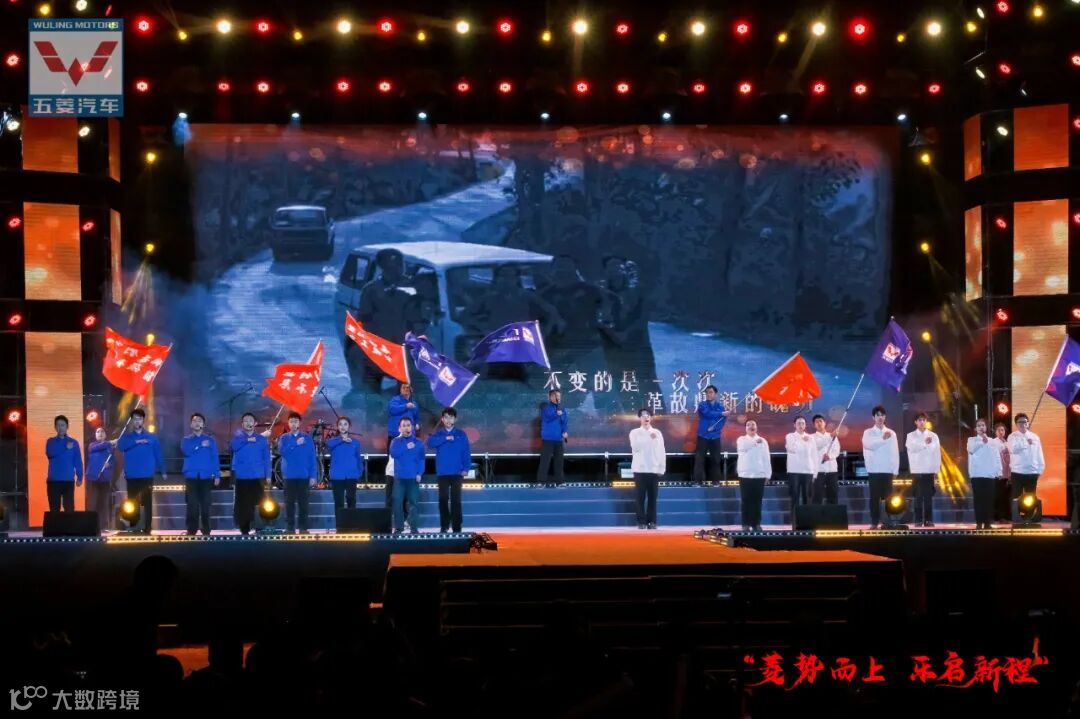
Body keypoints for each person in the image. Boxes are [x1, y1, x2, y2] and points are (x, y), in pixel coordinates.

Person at [354, 248, 413, 392]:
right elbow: (362, 319)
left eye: (399, 266)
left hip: (403, 349)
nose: (396, 271)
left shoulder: (412, 287)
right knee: (371, 391)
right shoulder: (371, 290)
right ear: (383, 269)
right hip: (378, 349)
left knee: (406, 391)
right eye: (391, 268)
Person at [115, 408, 166, 534]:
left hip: (147, 475)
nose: (137, 421)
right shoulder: (127, 437)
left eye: (139, 419)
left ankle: (147, 527)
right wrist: (136, 441)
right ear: (132, 421)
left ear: (143, 420)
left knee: (147, 501)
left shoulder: (151, 437)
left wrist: (163, 470)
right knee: (132, 502)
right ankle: (134, 526)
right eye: (135, 419)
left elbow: (158, 454)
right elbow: (120, 446)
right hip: (132, 475)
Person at [427, 407, 472, 533]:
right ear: (442, 419)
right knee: (443, 499)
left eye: (451, 417)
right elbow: (430, 443)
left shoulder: (461, 434)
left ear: (455, 419)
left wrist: (466, 468)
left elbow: (466, 452)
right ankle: (444, 526)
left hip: (457, 472)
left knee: (456, 500)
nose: (448, 420)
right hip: (442, 473)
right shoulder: (439, 433)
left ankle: (457, 527)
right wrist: (445, 438)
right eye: (446, 417)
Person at [230, 412, 271, 535]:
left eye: (250, 420)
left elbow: (266, 459)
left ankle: (259, 527)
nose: (248, 423)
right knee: (243, 504)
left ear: (255, 423)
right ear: (242, 424)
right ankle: (244, 529)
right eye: (246, 421)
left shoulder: (261, 439)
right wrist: (247, 440)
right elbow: (233, 446)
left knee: (260, 502)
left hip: (258, 476)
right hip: (242, 476)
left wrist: (268, 475)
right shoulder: (238, 438)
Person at [278, 412, 317, 534]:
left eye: (295, 421)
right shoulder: (284, 438)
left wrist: (313, 476)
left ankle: (303, 528)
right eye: (291, 421)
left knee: (303, 503)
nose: (293, 424)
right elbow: (282, 452)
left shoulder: (307, 438)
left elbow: (312, 457)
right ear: (288, 424)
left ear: (299, 423)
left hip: (303, 475)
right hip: (289, 476)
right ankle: (289, 528)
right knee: (289, 503)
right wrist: (295, 443)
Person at [180, 412, 219, 536]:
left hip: (206, 477)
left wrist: (217, 475)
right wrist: (199, 445)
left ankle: (206, 529)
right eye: (194, 421)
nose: (197, 423)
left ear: (203, 424)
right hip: (191, 477)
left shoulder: (210, 440)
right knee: (192, 505)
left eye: (199, 421)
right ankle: (191, 530)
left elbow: (214, 458)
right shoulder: (186, 440)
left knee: (206, 504)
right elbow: (187, 452)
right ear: (191, 424)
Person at [861, 405, 899, 529]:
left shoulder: (891, 433)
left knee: (888, 498)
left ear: (885, 417)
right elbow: (869, 445)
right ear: (873, 417)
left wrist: (895, 469)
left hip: (887, 469)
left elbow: (895, 452)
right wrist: (883, 439)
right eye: (878, 415)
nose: (880, 417)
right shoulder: (868, 432)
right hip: (874, 470)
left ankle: (887, 522)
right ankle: (874, 522)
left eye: (882, 415)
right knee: (874, 498)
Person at [629, 408, 666, 529]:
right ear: (640, 418)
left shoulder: (657, 433)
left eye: (648, 415)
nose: (646, 417)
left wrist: (661, 468)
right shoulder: (634, 433)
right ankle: (641, 521)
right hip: (640, 469)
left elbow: (662, 451)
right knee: (640, 497)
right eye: (643, 415)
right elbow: (635, 447)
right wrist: (648, 437)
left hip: (653, 469)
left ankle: (652, 521)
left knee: (652, 498)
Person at [389, 417, 426, 534]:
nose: (406, 427)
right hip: (399, 478)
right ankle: (399, 528)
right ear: (400, 428)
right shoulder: (395, 441)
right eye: (404, 425)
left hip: (413, 477)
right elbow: (393, 453)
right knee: (397, 503)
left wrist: (420, 473)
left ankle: (414, 528)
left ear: (412, 427)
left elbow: (421, 459)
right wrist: (406, 447)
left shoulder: (418, 442)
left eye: (408, 425)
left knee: (413, 503)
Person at [386, 383, 420, 507]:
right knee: (393, 468)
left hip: (410, 439)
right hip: (395, 437)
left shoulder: (414, 402)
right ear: (400, 389)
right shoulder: (395, 400)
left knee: (408, 466)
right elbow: (392, 410)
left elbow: (416, 416)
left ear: (411, 389)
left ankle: (406, 508)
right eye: (403, 387)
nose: (406, 389)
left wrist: (417, 423)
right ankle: (390, 506)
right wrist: (406, 406)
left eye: (408, 387)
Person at [906, 412, 942, 527]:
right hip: (917, 470)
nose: (922, 422)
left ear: (926, 421)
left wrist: (936, 469)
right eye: (919, 420)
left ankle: (928, 520)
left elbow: (937, 453)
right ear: (915, 422)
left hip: (929, 470)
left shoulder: (933, 436)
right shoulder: (910, 436)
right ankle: (918, 520)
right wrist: (924, 443)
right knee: (918, 496)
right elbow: (912, 448)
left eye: (923, 420)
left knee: (928, 497)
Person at [967, 418, 1004, 530]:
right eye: (979, 425)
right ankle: (979, 522)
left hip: (989, 474)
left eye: (983, 425)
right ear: (975, 428)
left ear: (986, 427)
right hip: (977, 474)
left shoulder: (992, 441)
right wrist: (982, 441)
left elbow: (997, 456)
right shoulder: (972, 440)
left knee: (989, 499)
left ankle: (987, 522)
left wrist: (999, 471)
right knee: (978, 499)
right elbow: (971, 450)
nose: (981, 427)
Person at [736, 419, 771, 531]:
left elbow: (766, 458)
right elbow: (743, 448)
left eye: (753, 424)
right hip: (745, 474)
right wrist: (755, 441)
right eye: (748, 425)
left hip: (759, 475)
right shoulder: (741, 439)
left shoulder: (763, 441)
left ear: (757, 427)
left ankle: (756, 524)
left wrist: (768, 474)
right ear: (745, 428)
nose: (751, 426)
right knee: (745, 500)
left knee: (757, 501)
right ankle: (745, 524)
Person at [45, 414, 82, 513]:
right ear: (55, 427)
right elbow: (50, 453)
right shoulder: (50, 441)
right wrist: (65, 447)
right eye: (58, 425)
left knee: (69, 509)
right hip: (53, 481)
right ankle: (55, 524)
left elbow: (78, 460)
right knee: (54, 510)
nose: (60, 427)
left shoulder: (74, 443)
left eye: (62, 425)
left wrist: (80, 476)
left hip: (68, 481)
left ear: (67, 427)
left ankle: (69, 524)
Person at [693, 385, 730, 484]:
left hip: (715, 436)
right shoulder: (702, 405)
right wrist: (721, 414)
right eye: (707, 393)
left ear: (715, 393)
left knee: (716, 460)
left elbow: (722, 422)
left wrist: (715, 428)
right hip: (703, 435)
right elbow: (708, 414)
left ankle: (716, 481)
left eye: (711, 392)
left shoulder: (721, 407)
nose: (708, 394)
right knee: (700, 459)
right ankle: (698, 481)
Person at [326, 416, 363, 514]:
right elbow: (329, 445)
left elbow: (358, 459)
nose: (343, 427)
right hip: (337, 476)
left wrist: (359, 472)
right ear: (337, 427)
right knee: (339, 502)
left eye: (345, 424)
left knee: (351, 500)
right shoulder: (333, 441)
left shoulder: (355, 442)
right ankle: (340, 523)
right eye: (340, 424)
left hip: (351, 475)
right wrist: (342, 440)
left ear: (349, 426)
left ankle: (351, 523)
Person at [1008, 413, 1045, 504]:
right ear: (1016, 424)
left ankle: (1029, 513)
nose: (1022, 424)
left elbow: (1039, 453)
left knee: (1030, 500)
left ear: (1028, 423)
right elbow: (1013, 450)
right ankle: (1017, 513)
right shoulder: (1012, 436)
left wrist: (1040, 470)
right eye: (1020, 422)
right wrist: (1025, 443)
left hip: (1032, 472)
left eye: (1024, 422)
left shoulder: (1035, 437)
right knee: (1016, 498)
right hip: (1017, 472)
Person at [785, 416, 817, 520]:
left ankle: (807, 521)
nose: (800, 425)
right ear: (794, 425)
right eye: (798, 423)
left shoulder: (811, 438)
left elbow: (814, 455)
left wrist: (815, 473)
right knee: (794, 497)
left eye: (803, 423)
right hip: (794, 471)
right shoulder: (790, 436)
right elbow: (791, 448)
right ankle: (794, 521)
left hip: (808, 470)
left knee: (807, 497)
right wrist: (802, 440)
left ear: (805, 425)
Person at [537, 389, 569, 486]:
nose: (558, 398)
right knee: (545, 461)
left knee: (559, 461)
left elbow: (564, 421)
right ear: (550, 397)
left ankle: (559, 481)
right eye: (556, 396)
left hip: (558, 439)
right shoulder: (546, 408)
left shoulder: (562, 408)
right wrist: (557, 413)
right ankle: (541, 481)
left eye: (559, 396)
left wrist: (564, 431)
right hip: (548, 439)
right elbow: (549, 417)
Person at [84, 426, 114, 530]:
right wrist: (110, 442)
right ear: (95, 435)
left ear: (105, 434)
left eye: (102, 431)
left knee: (104, 504)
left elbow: (113, 461)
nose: (100, 433)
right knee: (92, 503)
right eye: (98, 432)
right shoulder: (92, 445)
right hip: (93, 479)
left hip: (104, 479)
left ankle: (103, 526)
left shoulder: (110, 448)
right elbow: (97, 448)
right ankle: (91, 526)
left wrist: (109, 464)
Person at [811, 415, 841, 504]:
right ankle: (816, 513)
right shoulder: (811, 437)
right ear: (814, 425)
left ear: (825, 423)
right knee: (817, 496)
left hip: (832, 471)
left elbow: (837, 451)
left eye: (821, 421)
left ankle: (833, 513)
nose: (819, 423)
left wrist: (830, 456)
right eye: (816, 422)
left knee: (833, 495)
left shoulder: (833, 436)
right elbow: (817, 446)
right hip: (818, 471)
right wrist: (830, 437)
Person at [994, 422, 1012, 522]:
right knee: (1000, 496)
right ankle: (1000, 516)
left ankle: (1007, 516)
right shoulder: (994, 442)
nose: (1001, 432)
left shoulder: (1007, 442)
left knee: (1006, 496)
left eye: (1002, 430)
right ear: (995, 432)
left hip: (1007, 473)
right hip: (999, 473)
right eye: (999, 430)